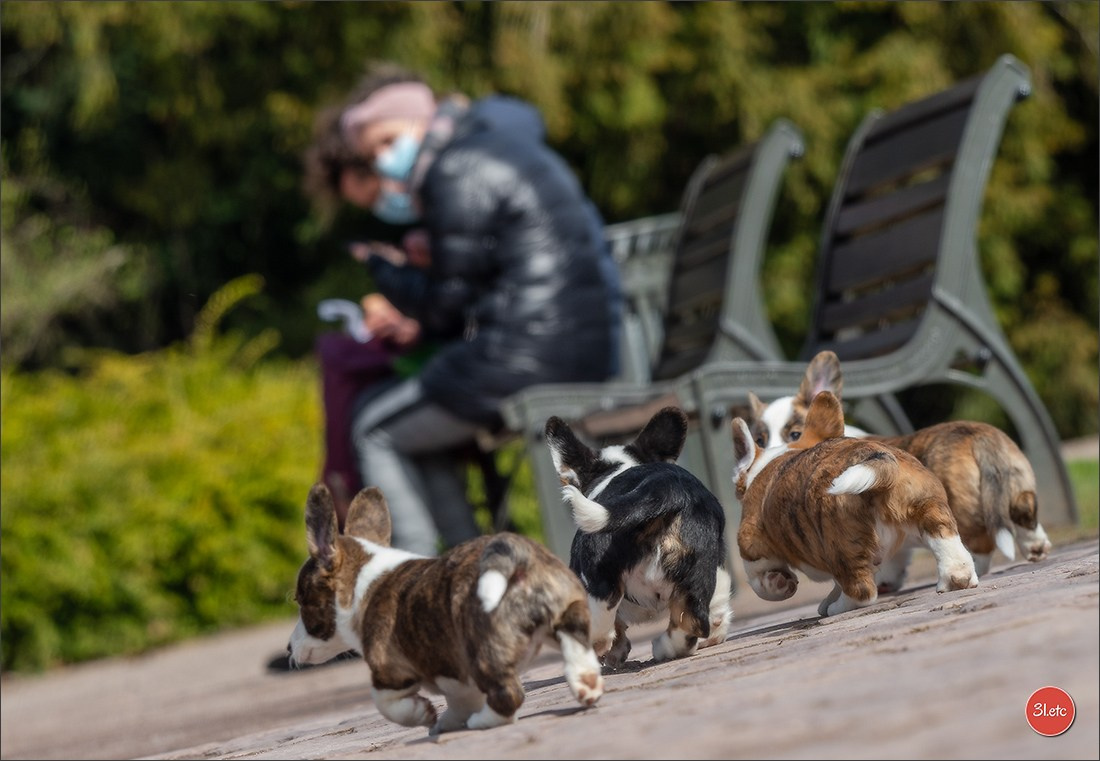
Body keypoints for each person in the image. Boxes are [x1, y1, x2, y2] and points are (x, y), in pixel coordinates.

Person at [339, 63, 624, 556]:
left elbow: (445, 309)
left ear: (419, 119)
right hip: (577, 345)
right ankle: (471, 572)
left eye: (387, 141)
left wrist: (384, 271)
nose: (384, 161)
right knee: (413, 432)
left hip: (528, 353)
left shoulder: (454, 169)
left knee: (371, 427)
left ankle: (415, 582)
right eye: (373, 154)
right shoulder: (493, 147)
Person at [301, 107, 438, 532]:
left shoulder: (441, 192)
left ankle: (414, 565)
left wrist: (412, 311)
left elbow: (459, 298)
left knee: (368, 425)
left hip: (484, 360)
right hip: (470, 351)